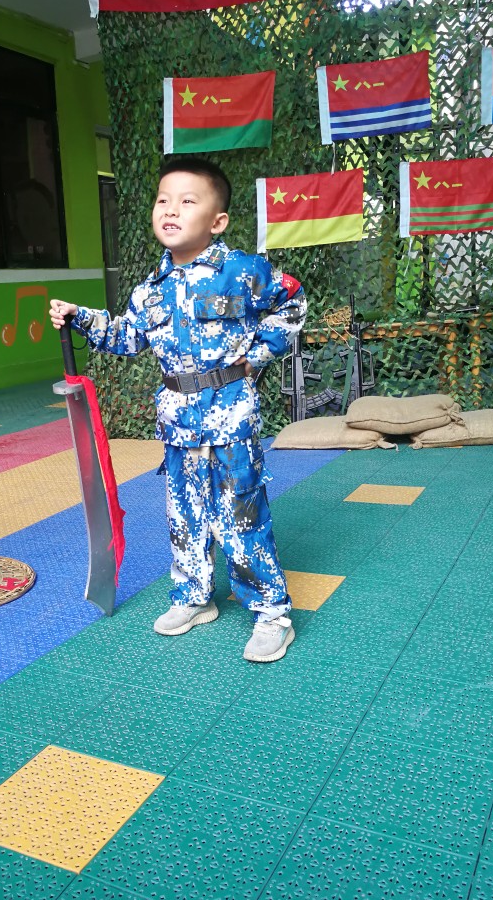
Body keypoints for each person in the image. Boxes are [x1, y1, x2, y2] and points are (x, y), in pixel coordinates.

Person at [49, 157, 307, 662]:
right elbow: (126, 338)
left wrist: (257, 356)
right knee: (184, 513)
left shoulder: (243, 271)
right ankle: (193, 595)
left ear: (217, 221)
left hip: (230, 418)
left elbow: (292, 302)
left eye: (188, 201)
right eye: (163, 200)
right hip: (178, 422)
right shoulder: (151, 289)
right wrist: (81, 317)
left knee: (241, 515)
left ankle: (270, 612)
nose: (171, 210)